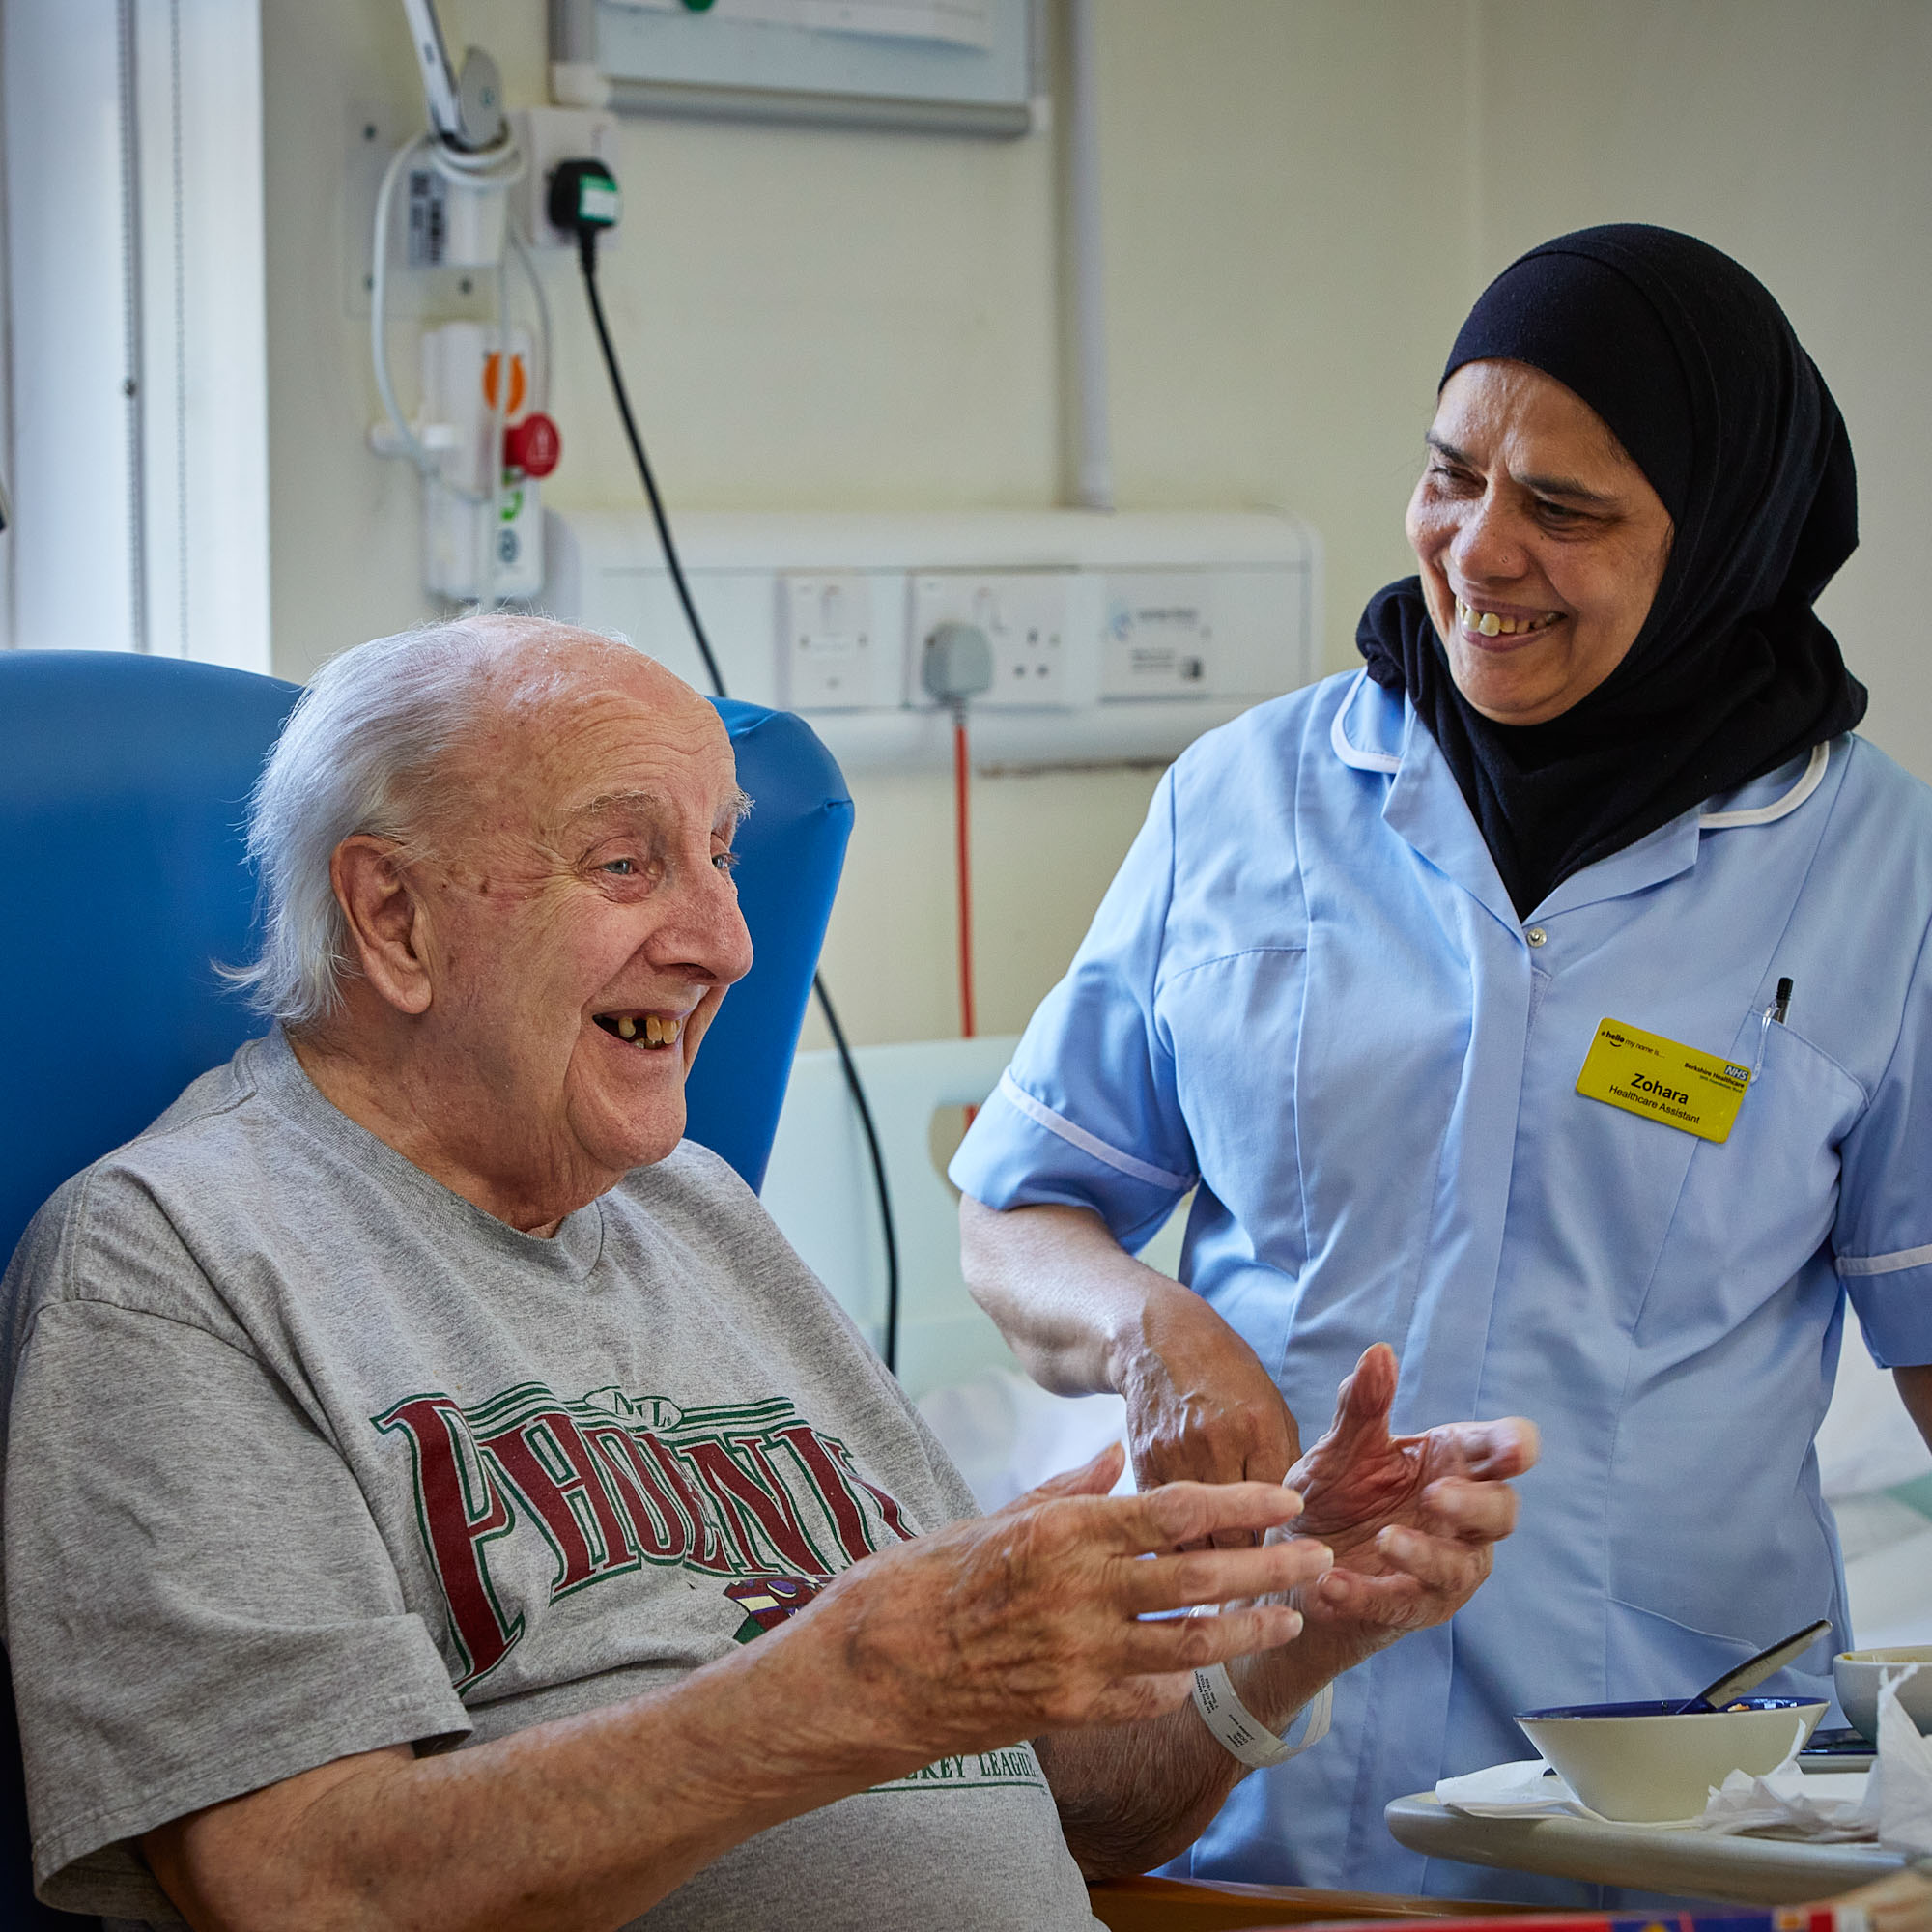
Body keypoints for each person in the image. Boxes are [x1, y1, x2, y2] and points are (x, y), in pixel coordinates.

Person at [0, 615, 1535, 1931]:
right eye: (628, 862)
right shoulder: (176, 1259)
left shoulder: (700, 1213)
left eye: (724, 856)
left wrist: (1295, 1612)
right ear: (391, 916)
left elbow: (1066, 1819)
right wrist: (849, 1682)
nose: (729, 943)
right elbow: (301, 1891)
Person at [952, 223, 1932, 1903]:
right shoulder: (1246, 799)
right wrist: (1153, 1331)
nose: (1479, 549)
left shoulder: (1869, 870)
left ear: (1718, 549)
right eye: (1451, 475)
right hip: (1233, 1764)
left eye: (1565, 508)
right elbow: (1017, 1218)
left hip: (1662, 1802)